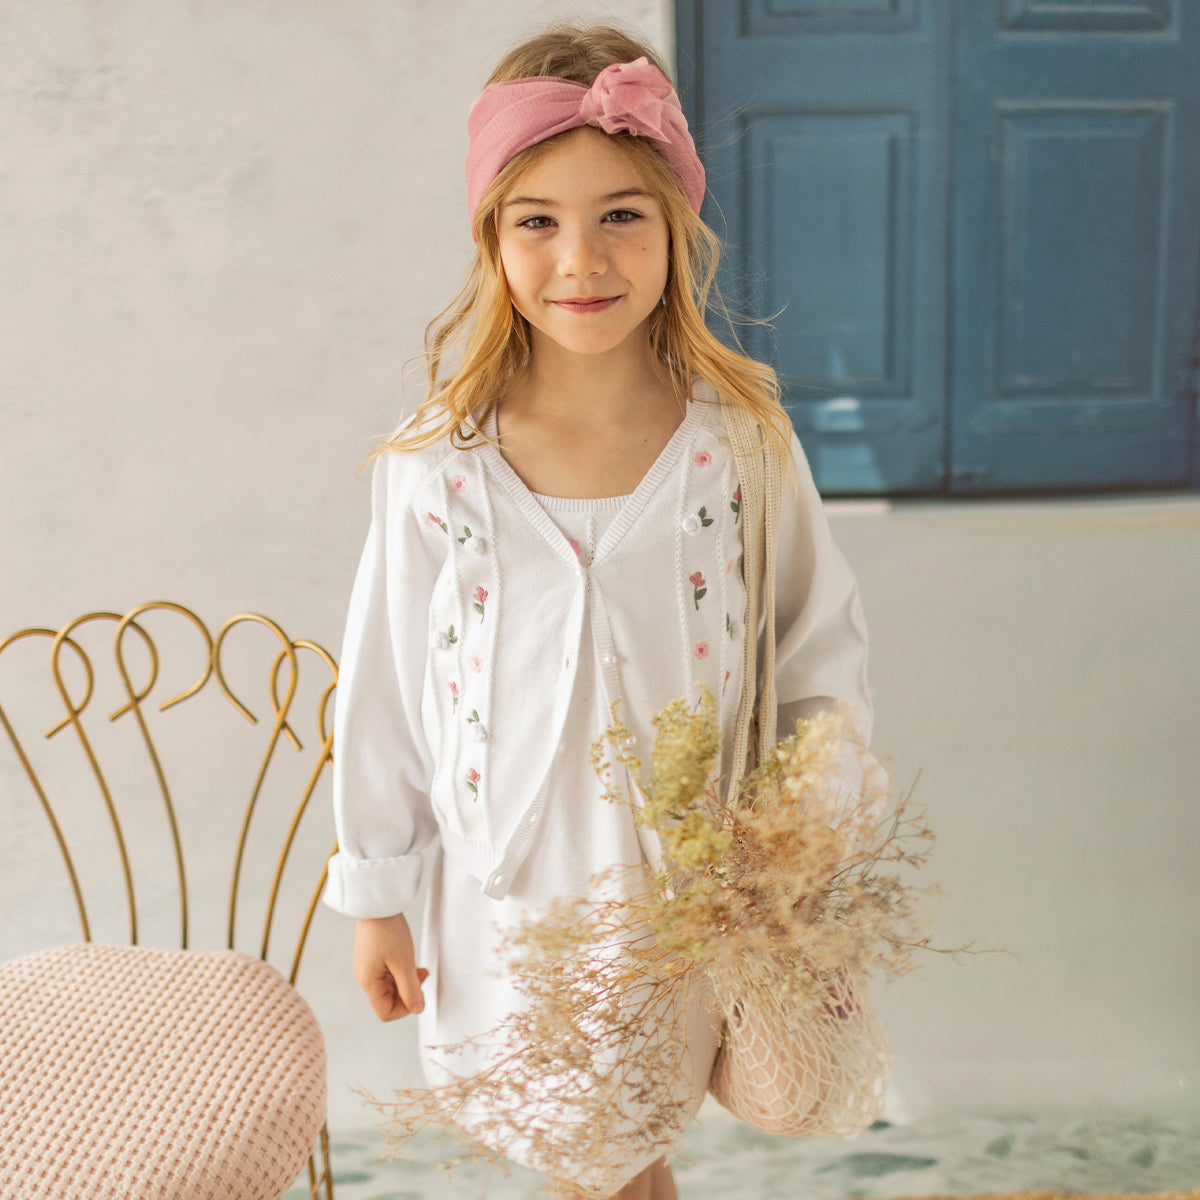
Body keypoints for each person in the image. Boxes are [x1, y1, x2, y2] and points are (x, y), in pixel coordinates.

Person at [322, 24, 871, 1200]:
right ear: (491, 237)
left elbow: (817, 655)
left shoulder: (739, 447)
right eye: (538, 221)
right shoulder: (436, 464)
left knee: (621, 1149)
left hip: (679, 889)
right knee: (593, 1155)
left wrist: (797, 854)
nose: (582, 258)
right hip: (501, 892)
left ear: (676, 228)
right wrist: (377, 896)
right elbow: (384, 692)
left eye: (621, 214)